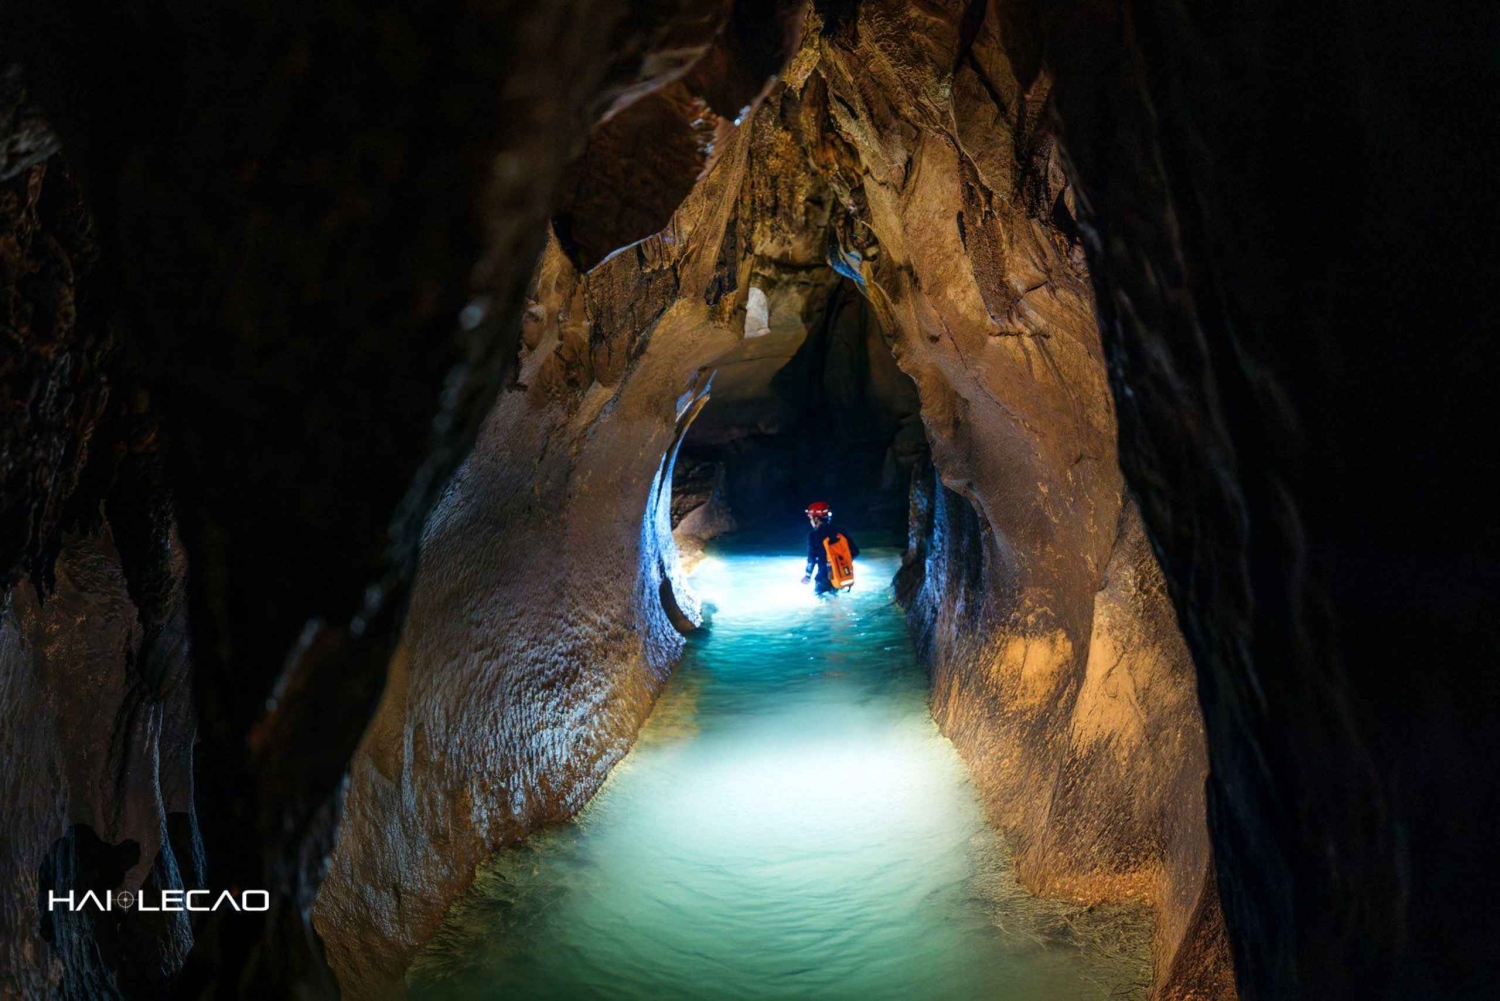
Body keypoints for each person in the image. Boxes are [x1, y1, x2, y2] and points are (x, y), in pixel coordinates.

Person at [800, 501, 859, 596]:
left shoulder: (814, 535)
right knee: (836, 600)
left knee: (821, 604)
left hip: (823, 577)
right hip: (841, 576)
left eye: (810, 517)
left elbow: (812, 559)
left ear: (816, 518)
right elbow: (855, 551)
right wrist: (839, 563)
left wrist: (808, 576)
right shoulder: (841, 531)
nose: (810, 520)